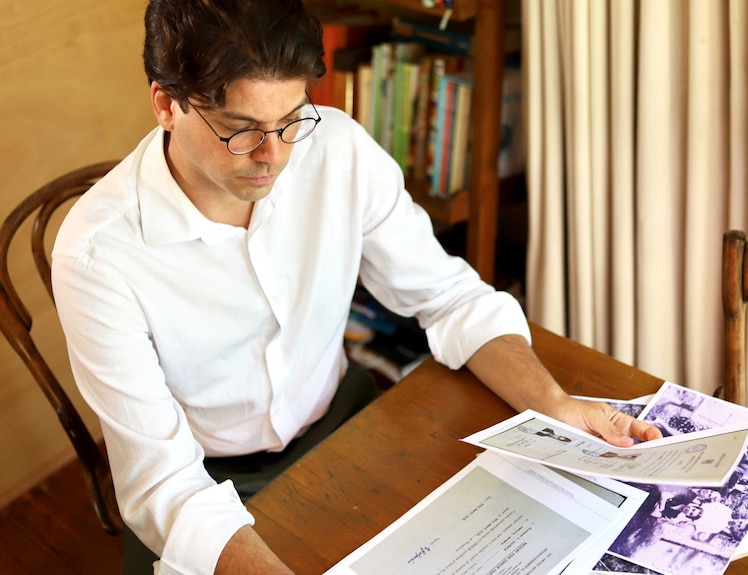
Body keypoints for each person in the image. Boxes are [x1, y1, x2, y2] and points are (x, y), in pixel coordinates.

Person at [50, 1, 662, 573]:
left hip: (344, 427)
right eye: (241, 130)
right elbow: (164, 485)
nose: (273, 155)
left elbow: (447, 296)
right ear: (165, 104)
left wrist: (552, 404)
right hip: (206, 486)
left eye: (290, 119)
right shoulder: (96, 258)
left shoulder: (335, 148)